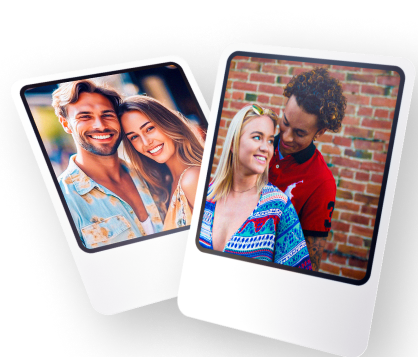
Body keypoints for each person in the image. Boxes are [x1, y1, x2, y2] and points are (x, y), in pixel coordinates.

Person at [53, 79, 164, 249]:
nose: (100, 125)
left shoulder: (152, 175)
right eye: (85, 117)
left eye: (107, 115)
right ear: (66, 124)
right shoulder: (62, 201)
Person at [199, 104, 312, 270]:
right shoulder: (204, 194)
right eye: (257, 137)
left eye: (270, 141)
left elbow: (297, 279)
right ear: (233, 143)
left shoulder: (278, 207)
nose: (266, 148)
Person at [268, 67, 347, 271]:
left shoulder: (322, 182)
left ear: (320, 131)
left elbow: (309, 265)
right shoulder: (255, 145)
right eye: (285, 122)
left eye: (300, 133)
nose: (286, 137)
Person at [118, 95, 204, 231]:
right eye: (134, 137)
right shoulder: (166, 184)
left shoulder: (193, 178)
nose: (146, 142)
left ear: (167, 123)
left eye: (149, 128)